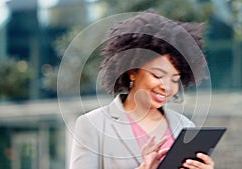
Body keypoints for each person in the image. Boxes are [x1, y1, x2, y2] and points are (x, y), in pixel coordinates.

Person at [69, 10, 214, 169]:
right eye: (158, 75)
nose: (166, 87)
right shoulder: (93, 125)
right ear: (132, 72)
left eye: (175, 79)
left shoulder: (185, 126)